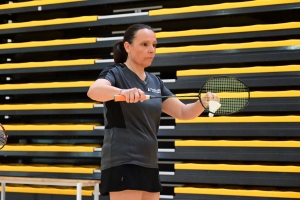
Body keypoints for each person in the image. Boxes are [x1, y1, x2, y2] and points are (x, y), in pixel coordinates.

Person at [87, 24, 219, 200]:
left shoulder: (155, 82)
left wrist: (202, 103)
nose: (152, 50)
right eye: (144, 44)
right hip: (124, 161)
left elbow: (183, 112)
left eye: (154, 45)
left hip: (149, 162)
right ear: (128, 47)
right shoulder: (115, 73)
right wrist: (122, 92)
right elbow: (94, 91)